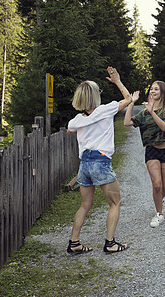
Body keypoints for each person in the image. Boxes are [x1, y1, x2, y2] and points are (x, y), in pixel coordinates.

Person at [66, 66, 132, 254]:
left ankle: (74, 243)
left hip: (84, 163)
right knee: (115, 203)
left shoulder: (76, 120)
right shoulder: (105, 110)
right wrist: (117, 81)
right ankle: (110, 243)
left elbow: (70, 130)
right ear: (95, 96)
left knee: (85, 205)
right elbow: (128, 99)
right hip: (100, 161)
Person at [123, 81, 165, 228]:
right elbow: (127, 122)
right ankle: (159, 214)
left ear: (162, 92)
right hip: (152, 150)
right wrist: (132, 103)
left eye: (156, 89)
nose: (153, 91)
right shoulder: (144, 112)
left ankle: (158, 200)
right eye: (151, 89)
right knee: (157, 185)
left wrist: (153, 111)